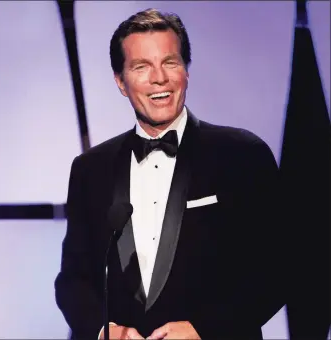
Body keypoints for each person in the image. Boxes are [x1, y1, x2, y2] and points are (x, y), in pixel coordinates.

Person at [55, 8, 287, 340]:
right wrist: (104, 330)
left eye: (170, 63)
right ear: (121, 82)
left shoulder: (242, 154)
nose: (159, 78)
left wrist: (203, 330)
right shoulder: (90, 169)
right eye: (141, 67)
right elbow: (72, 279)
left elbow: (278, 271)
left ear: (186, 72)